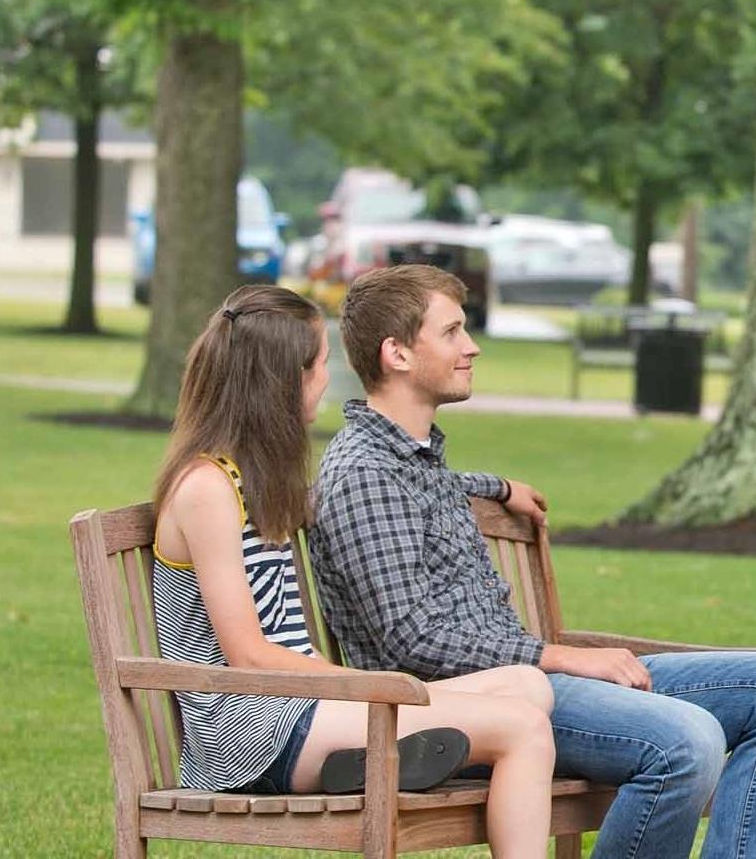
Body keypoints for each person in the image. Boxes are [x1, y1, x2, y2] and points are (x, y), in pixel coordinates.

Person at [307, 265, 756, 859]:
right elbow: (412, 638)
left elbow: (437, 488)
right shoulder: (365, 475)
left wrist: (497, 486)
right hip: (471, 704)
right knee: (686, 741)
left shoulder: (412, 460)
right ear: (396, 353)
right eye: (451, 333)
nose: (471, 347)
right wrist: (561, 656)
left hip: (531, 680)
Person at [150, 285, 555, 858]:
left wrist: (499, 487)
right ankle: (375, 759)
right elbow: (247, 655)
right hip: (250, 735)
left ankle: (365, 762)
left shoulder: (256, 478)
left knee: (527, 684)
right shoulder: (208, 489)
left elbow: (392, 487)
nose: (325, 379)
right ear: (280, 380)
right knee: (523, 729)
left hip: (302, 706)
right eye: (317, 365)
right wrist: (365, 689)